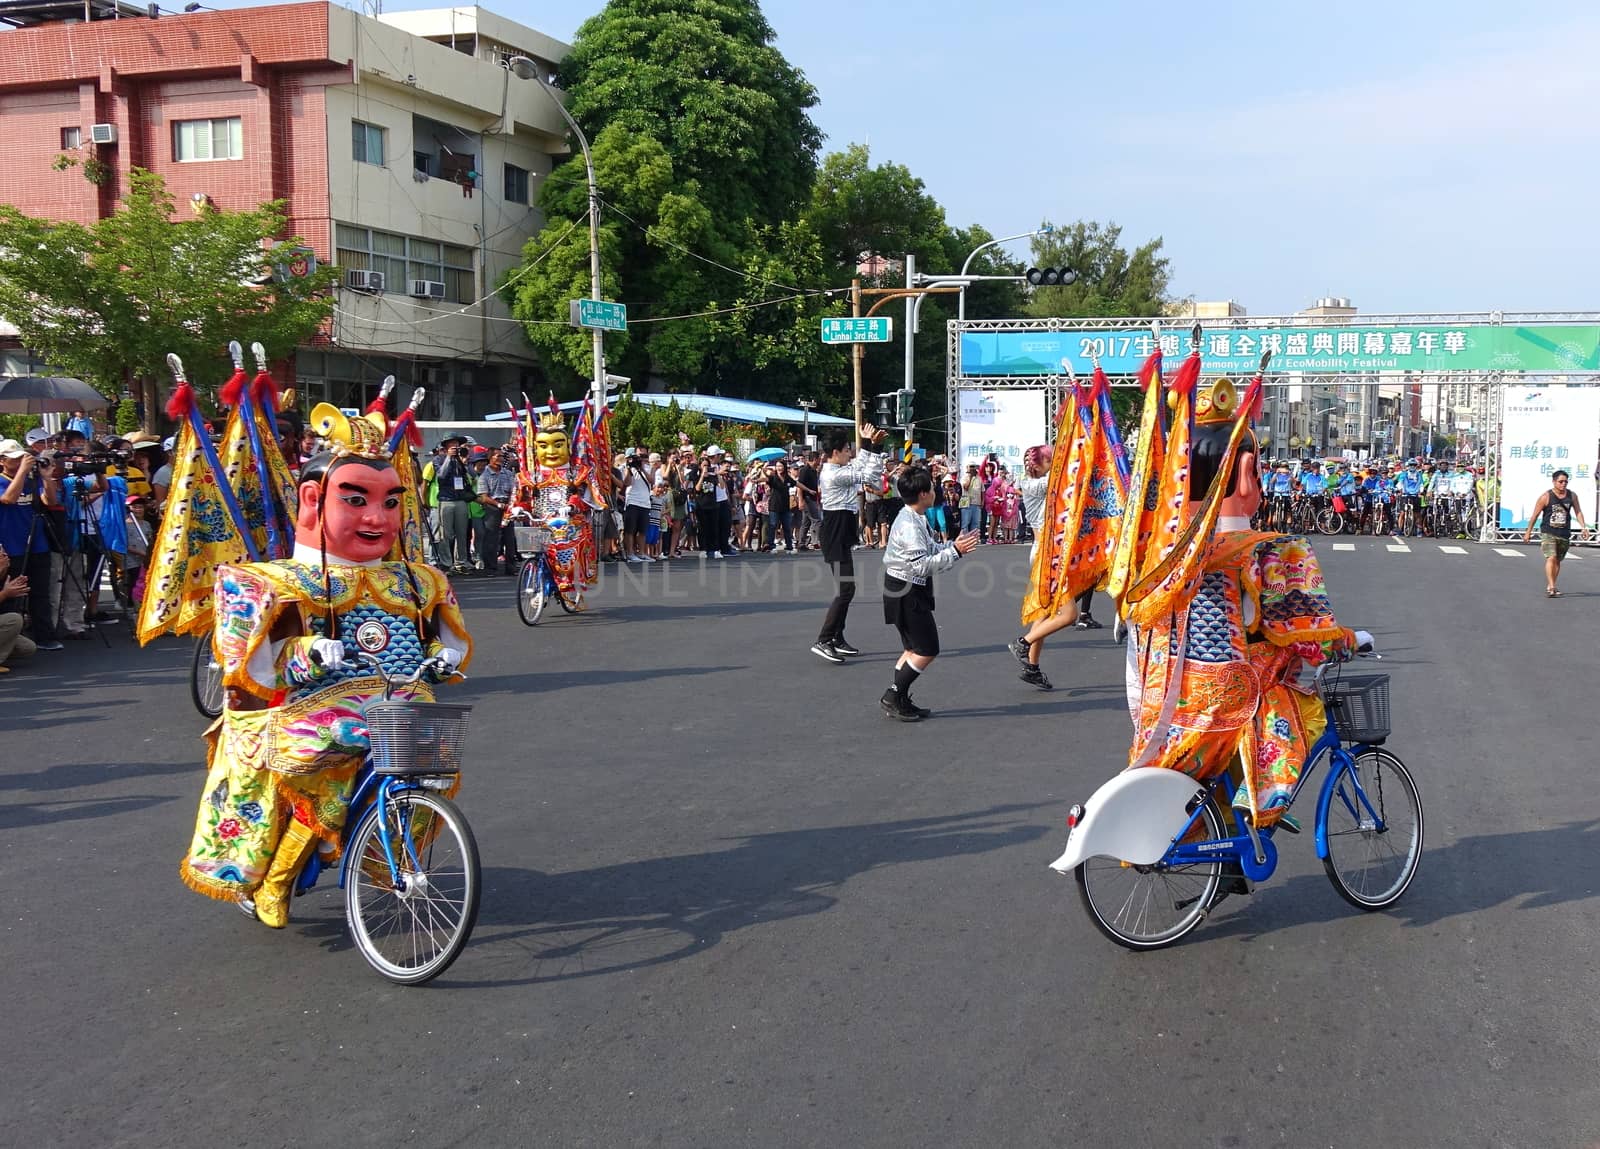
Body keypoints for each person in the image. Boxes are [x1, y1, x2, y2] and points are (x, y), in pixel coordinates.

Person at [175, 412, 471, 928]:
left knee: (433, 759)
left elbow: (443, 640)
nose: (378, 518)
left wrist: (443, 660)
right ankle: (276, 881)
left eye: (391, 502)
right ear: (313, 499)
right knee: (332, 774)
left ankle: (383, 855)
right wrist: (307, 651)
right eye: (356, 499)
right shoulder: (265, 582)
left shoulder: (418, 579)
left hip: (396, 700)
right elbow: (252, 667)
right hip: (304, 711)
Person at [879, 465, 978, 720]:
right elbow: (921, 565)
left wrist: (952, 546)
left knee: (912, 648)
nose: (935, 491)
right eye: (932, 488)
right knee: (927, 648)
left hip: (904, 587)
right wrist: (955, 552)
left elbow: (930, 548)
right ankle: (893, 694)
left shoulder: (914, 516)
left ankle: (899, 698)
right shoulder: (910, 524)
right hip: (906, 589)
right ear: (923, 494)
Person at [812, 424, 888, 663]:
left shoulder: (839, 467)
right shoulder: (834, 473)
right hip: (835, 531)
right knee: (846, 590)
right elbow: (867, 475)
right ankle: (824, 639)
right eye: (847, 449)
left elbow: (857, 466)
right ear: (835, 452)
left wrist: (866, 444)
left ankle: (836, 637)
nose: (850, 453)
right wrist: (875, 447)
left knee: (847, 588)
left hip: (841, 529)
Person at [0, 438, 61, 650]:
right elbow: (9, 498)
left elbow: (50, 502)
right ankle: (12, 638)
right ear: (2, 461)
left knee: (40, 592)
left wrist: (46, 478)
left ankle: (44, 636)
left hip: (37, 543)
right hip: (10, 546)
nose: (20, 462)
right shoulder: (4, 480)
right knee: (13, 594)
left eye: (22, 458)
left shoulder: (29, 479)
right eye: (14, 459)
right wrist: (22, 472)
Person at [1522, 469, 1587, 598]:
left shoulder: (1572, 496)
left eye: (1566, 482)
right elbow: (1535, 515)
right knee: (1551, 557)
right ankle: (1552, 587)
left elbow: (1578, 511)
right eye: (1560, 481)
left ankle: (1551, 584)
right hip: (1548, 532)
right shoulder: (1545, 497)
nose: (1563, 484)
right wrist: (1528, 532)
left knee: (1557, 560)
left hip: (1564, 532)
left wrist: (1583, 527)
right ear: (1554, 482)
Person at [475, 445, 518, 576]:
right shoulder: (484, 476)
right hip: (492, 507)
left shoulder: (508, 474)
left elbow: (514, 490)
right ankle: (491, 568)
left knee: (509, 538)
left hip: (508, 507)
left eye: (501, 456)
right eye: (497, 456)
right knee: (492, 538)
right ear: (490, 458)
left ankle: (511, 567)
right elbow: (483, 496)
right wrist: (498, 505)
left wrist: (510, 504)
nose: (500, 458)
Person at [0, 548, 38, 673]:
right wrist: (5, 594)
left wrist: (9, 593)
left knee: (27, 647)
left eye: (4, 552)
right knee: (14, 620)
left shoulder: (6, 577)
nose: (5, 555)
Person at [621, 450, 654, 563]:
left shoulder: (647, 467)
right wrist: (630, 469)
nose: (639, 460)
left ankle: (641, 553)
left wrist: (642, 468)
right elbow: (627, 483)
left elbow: (652, 481)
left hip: (645, 503)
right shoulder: (627, 468)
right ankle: (630, 553)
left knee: (642, 530)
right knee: (630, 529)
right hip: (633, 501)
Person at [766, 460, 795, 552]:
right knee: (773, 525)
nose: (779, 468)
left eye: (781, 466)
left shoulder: (787, 478)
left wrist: (809, 490)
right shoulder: (773, 478)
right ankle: (771, 546)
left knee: (787, 526)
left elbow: (797, 484)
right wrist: (764, 469)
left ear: (784, 467)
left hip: (785, 506)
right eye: (777, 466)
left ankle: (789, 546)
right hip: (774, 506)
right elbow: (765, 478)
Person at [795, 451, 821, 550]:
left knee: (806, 522)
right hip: (807, 499)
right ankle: (815, 541)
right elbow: (799, 486)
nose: (820, 461)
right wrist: (801, 500)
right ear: (814, 459)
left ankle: (801, 543)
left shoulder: (814, 471)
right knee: (817, 520)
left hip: (813, 498)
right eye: (819, 459)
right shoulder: (804, 470)